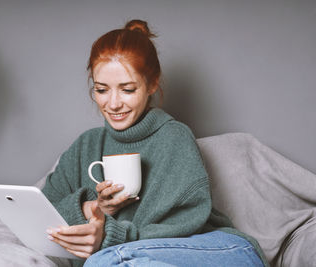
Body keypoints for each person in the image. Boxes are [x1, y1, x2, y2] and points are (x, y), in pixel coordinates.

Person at [42, 19, 268, 267]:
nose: (113, 103)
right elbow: (41, 214)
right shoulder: (86, 146)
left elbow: (183, 223)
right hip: (132, 258)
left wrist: (107, 235)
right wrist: (95, 208)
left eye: (127, 89)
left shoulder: (174, 137)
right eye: (102, 89)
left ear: (152, 84)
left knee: (105, 261)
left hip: (221, 250)